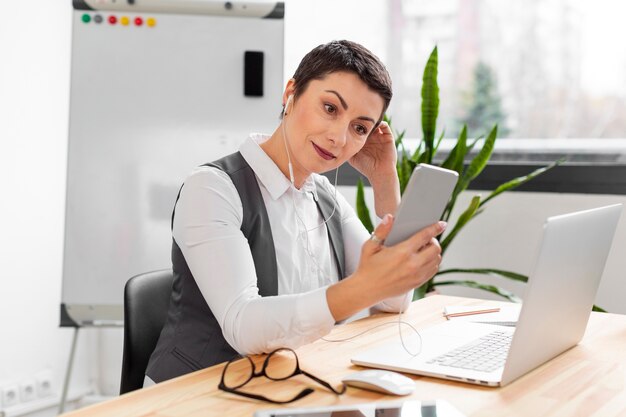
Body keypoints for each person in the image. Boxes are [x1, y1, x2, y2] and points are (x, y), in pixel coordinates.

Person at [145, 40, 446, 385]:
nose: (339, 137)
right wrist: (360, 289)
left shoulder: (324, 198)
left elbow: (392, 298)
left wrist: (385, 182)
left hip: (286, 386)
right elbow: (243, 326)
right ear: (291, 93)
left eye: (359, 128)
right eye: (330, 108)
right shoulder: (212, 188)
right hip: (199, 395)